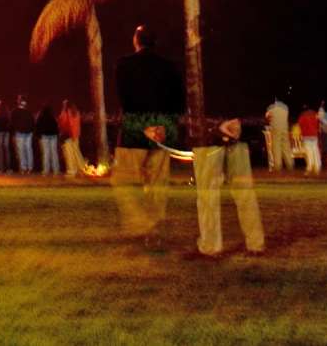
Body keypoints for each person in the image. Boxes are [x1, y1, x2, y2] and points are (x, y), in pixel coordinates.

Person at [112, 25, 182, 244]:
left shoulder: (124, 65)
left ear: (136, 40)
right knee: (158, 183)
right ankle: (155, 227)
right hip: (162, 128)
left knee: (124, 180)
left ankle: (142, 224)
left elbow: (123, 97)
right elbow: (178, 101)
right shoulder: (169, 67)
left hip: (135, 127)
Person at [194, 116, 267, 257]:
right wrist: (239, 123)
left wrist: (215, 127)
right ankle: (256, 243)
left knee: (208, 195)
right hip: (237, 133)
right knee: (245, 193)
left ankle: (211, 245)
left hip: (208, 138)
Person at [58, 98, 87, 176]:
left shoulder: (67, 112)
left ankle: (71, 170)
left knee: (69, 154)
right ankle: (81, 169)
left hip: (68, 136)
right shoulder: (77, 113)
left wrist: (63, 107)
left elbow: (62, 120)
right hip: (75, 135)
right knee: (77, 153)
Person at [35, 94, 61, 176]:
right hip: (53, 136)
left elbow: (37, 126)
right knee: (54, 153)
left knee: (46, 153)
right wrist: (57, 135)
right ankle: (56, 171)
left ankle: (46, 171)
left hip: (45, 136)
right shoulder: (52, 117)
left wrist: (38, 135)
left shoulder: (41, 116)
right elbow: (56, 127)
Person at [10, 95, 36, 175]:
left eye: (20, 99)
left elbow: (12, 123)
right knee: (26, 150)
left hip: (24, 133)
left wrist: (14, 132)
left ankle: (27, 168)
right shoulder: (19, 111)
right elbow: (13, 122)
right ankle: (27, 168)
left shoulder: (20, 111)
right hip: (24, 133)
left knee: (24, 150)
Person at [264, 96, 289, 176]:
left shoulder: (271, 107)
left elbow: (267, 116)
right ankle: (290, 164)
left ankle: (278, 166)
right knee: (286, 147)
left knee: (276, 147)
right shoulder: (286, 107)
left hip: (275, 128)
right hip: (285, 128)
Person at [296, 103, 322, 174]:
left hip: (306, 136)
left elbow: (300, 125)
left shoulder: (302, 116)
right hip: (314, 135)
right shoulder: (315, 114)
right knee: (315, 150)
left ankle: (310, 166)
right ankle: (317, 166)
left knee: (309, 152)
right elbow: (318, 124)